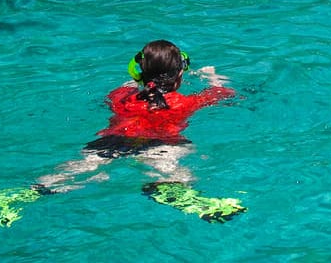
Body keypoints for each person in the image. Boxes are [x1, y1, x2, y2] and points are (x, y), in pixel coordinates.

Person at [32, 40, 242, 219]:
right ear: (179, 76)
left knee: (80, 167)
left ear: (137, 71)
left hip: (114, 140)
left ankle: (34, 191)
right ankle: (164, 188)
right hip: (160, 144)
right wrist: (211, 76)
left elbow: (125, 87)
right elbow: (225, 92)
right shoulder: (185, 102)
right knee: (177, 173)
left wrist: (137, 81)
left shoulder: (121, 97)